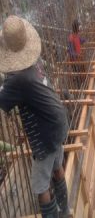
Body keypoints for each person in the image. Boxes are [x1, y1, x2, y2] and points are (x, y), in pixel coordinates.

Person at [0, 15, 70, 217]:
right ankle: (64, 211)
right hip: (59, 122)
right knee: (57, 167)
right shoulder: (35, 63)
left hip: (45, 134)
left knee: (40, 187)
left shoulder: (18, 81)